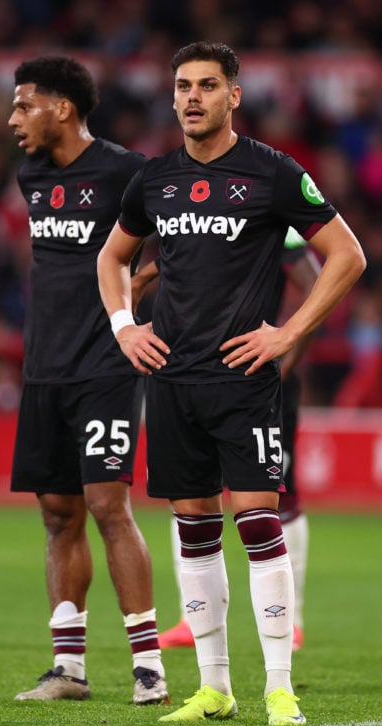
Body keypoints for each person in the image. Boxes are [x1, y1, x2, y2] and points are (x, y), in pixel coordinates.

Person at [97, 41, 366, 726]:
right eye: (183, 86)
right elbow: (113, 257)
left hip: (244, 379)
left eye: (207, 86)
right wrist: (126, 325)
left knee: (257, 523)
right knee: (193, 530)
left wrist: (289, 332)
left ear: (233, 96)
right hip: (173, 378)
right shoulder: (153, 181)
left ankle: (280, 687)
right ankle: (215, 686)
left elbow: (347, 255)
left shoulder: (272, 174)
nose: (191, 97)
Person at [6, 55, 168, 706]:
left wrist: (127, 302)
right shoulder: (32, 175)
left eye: (25, 105)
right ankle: (67, 669)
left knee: (107, 506)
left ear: (63, 109)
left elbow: (170, 248)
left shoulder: (126, 173)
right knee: (55, 514)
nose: (14, 118)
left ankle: (149, 667)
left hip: (105, 363)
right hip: (43, 366)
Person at [133, 228, 320, 653]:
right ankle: (191, 616)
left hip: (256, 377)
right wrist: (144, 277)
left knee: (275, 499)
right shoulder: (195, 210)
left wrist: (285, 357)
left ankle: (292, 622)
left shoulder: (269, 210)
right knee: (191, 495)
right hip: (192, 376)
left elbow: (314, 281)